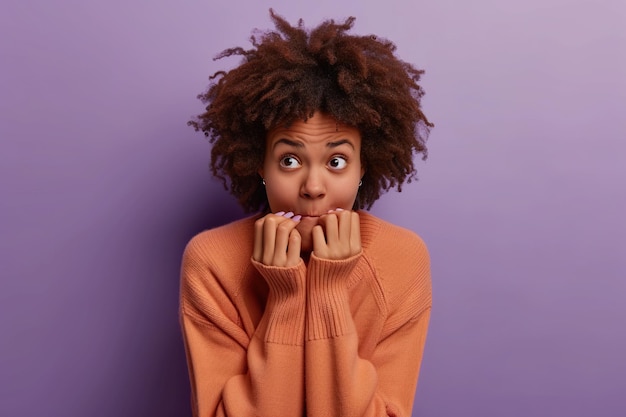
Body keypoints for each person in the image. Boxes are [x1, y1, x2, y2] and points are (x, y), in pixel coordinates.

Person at [181, 9, 434, 417]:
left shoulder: (403, 260)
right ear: (259, 164)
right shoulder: (212, 262)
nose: (314, 188)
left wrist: (329, 291)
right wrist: (284, 299)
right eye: (289, 161)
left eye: (336, 161)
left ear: (363, 165)